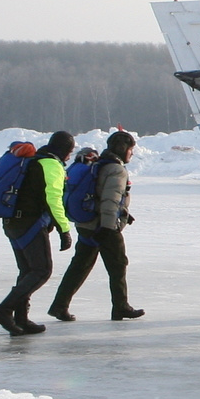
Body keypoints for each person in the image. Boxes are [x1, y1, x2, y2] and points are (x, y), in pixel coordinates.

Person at [50, 132, 142, 322]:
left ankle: (59, 305)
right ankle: (120, 307)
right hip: (103, 227)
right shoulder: (116, 169)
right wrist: (108, 228)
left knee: (80, 266)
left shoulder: (99, 164)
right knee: (118, 265)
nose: (131, 154)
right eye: (131, 149)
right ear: (123, 149)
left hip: (87, 224)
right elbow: (111, 200)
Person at [0, 131, 74, 336]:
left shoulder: (33, 161)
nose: (69, 157)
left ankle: (21, 319)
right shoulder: (51, 165)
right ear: (64, 150)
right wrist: (64, 229)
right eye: (69, 152)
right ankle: (3, 310)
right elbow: (53, 200)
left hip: (12, 222)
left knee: (27, 271)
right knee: (41, 270)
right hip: (29, 224)